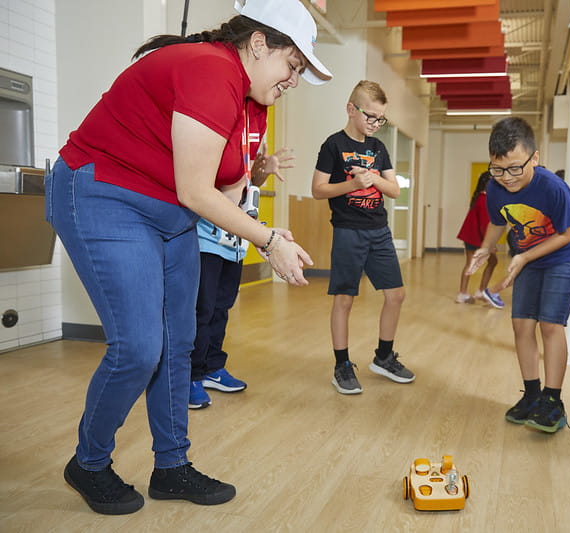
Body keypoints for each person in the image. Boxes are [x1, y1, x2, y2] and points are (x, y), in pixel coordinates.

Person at [45, 0, 330, 515]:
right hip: (104, 194)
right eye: (293, 65)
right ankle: (88, 463)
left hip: (170, 213)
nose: (293, 80)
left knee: (180, 345)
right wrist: (268, 240)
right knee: (138, 348)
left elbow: (225, 183)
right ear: (260, 43)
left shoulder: (252, 101)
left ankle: (172, 466)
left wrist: (267, 223)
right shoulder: (210, 68)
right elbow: (199, 190)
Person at [467, 117, 570, 433]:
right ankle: (532, 395)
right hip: (527, 257)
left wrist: (524, 256)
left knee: (550, 325)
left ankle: (552, 400)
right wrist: (485, 248)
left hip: (563, 256)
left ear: (535, 157)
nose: (507, 178)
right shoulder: (494, 187)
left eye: (515, 168)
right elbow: (497, 221)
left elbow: (567, 234)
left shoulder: (553, 189)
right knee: (521, 324)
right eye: (498, 169)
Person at [311, 80, 415, 395]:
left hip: (379, 231)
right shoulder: (333, 145)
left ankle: (383, 357)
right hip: (347, 231)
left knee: (395, 295)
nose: (374, 123)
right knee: (345, 299)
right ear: (350, 109)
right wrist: (353, 185)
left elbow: (394, 189)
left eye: (380, 118)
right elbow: (318, 190)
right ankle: (341, 365)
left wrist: (373, 181)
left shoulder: (378, 148)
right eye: (370, 116)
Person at [189, 106, 296, 409]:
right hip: (207, 234)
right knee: (202, 308)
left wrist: (265, 167)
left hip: (235, 237)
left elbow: (252, 181)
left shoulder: (256, 125)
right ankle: (190, 375)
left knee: (222, 306)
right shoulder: (221, 116)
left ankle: (212, 367)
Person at [456, 170, 505, 308]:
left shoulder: (480, 197)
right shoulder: (485, 200)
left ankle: (465, 293)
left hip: (471, 236)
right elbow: (485, 225)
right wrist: (489, 245)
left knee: (471, 264)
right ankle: (479, 291)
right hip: (476, 238)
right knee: (490, 262)